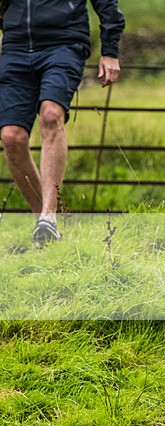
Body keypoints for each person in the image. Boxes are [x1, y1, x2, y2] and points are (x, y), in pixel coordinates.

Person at [0, 0, 125, 244]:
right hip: (15, 48)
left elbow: (107, 3)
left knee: (51, 115)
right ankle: (45, 226)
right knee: (11, 137)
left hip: (63, 44)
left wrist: (110, 51)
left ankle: (49, 216)